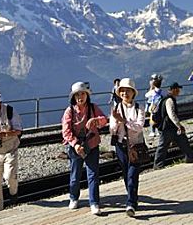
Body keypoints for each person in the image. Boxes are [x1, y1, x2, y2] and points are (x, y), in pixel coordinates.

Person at [62, 81, 108, 215]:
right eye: (77, 95)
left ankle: (94, 202)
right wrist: (75, 144)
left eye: (82, 94)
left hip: (91, 145)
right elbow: (66, 131)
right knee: (75, 175)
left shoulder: (93, 108)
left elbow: (104, 120)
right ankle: (73, 197)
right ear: (73, 97)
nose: (80, 97)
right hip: (75, 147)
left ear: (87, 95)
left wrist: (96, 120)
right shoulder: (69, 111)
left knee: (93, 175)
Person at [109, 78, 146, 217]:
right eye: (122, 90)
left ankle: (130, 203)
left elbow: (139, 126)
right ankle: (133, 198)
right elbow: (112, 129)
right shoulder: (116, 108)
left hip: (135, 146)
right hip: (121, 145)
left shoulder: (139, 108)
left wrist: (123, 120)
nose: (125, 93)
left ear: (133, 93)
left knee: (132, 175)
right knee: (126, 173)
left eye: (128, 90)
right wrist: (117, 122)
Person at [153, 82, 193, 169]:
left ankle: (190, 158)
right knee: (163, 146)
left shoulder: (166, 99)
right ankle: (158, 165)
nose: (179, 91)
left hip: (170, 127)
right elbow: (171, 114)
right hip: (168, 127)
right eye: (178, 89)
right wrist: (179, 125)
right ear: (174, 90)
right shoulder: (169, 100)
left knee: (183, 141)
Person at [144, 73, 164, 138]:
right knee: (159, 119)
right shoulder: (161, 91)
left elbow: (146, 95)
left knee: (152, 120)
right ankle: (158, 131)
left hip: (153, 107)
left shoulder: (153, 91)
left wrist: (151, 87)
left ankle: (152, 132)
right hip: (159, 107)